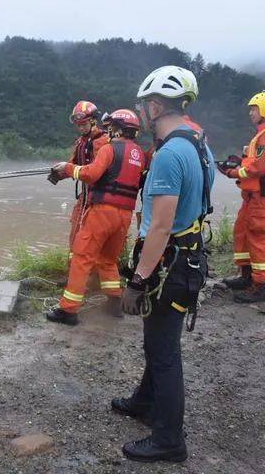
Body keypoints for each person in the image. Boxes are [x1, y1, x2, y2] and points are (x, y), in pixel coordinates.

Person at [117, 65, 214, 463]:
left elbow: (159, 225)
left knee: (162, 350)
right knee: (157, 338)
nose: (142, 112)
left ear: (156, 106)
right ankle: (144, 401)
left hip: (170, 265)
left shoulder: (169, 154)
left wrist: (137, 280)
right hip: (188, 259)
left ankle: (169, 439)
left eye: (145, 105)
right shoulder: (197, 142)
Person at [47, 109, 145, 325]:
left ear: (116, 128)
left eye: (111, 126)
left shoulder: (110, 149)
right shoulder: (139, 154)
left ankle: (68, 310)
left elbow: (91, 174)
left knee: (82, 258)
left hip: (102, 211)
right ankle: (114, 304)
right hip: (124, 215)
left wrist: (68, 168)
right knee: (107, 259)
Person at [219, 92, 265, 300]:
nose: (250, 113)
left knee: (258, 238)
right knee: (242, 232)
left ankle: (261, 284)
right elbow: (252, 163)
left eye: (253, 109)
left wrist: (233, 172)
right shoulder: (259, 135)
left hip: (260, 198)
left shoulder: (264, 135)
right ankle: (246, 275)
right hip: (251, 197)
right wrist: (239, 161)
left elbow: (257, 168)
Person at [62, 101, 110, 250]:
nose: (81, 127)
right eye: (78, 125)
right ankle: (73, 266)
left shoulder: (103, 142)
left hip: (100, 197)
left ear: (93, 121)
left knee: (93, 237)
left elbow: (94, 171)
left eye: (84, 124)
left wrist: (68, 168)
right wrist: (59, 172)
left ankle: (88, 270)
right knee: (75, 229)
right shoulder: (81, 142)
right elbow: (72, 163)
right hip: (85, 196)